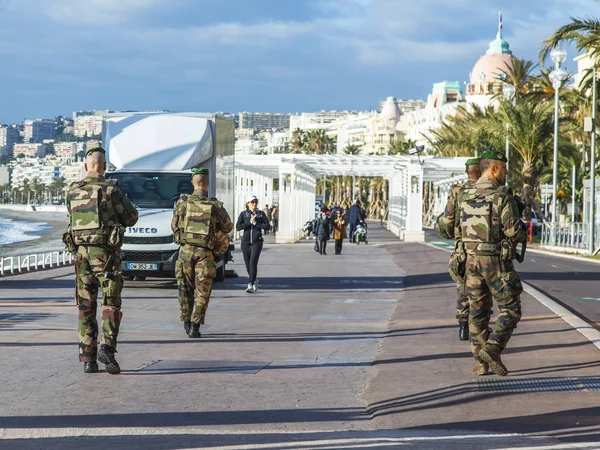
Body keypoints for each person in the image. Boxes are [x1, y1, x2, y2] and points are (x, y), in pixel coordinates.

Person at [63, 146, 139, 374]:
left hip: (81, 257)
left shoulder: (72, 191)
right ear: (104, 167)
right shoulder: (111, 190)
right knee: (111, 302)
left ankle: (88, 360)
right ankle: (107, 347)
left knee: (85, 307)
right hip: (106, 257)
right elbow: (131, 217)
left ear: (85, 167)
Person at [459, 150, 528, 377]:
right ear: (494, 169)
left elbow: (448, 228)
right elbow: (513, 231)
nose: (507, 173)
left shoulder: (463, 194)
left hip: (470, 262)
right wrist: (518, 214)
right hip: (495, 262)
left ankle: (480, 363)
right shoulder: (501, 196)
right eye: (504, 168)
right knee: (510, 308)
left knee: (477, 312)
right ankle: (494, 347)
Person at [171, 168, 234, 338]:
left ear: (193, 183)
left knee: (185, 288)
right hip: (205, 254)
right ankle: (195, 326)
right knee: (202, 290)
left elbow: (174, 226)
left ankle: (186, 321)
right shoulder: (214, 206)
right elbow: (228, 227)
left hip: (185, 252)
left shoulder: (182, 204)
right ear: (207, 184)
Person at [435, 157, 482, 342]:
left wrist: (448, 233)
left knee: (462, 286)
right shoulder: (492, 189)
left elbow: (447, 221)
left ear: (467, 172)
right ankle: (481, 326)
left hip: (464, 248)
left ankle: (463, 324)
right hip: (488, 250)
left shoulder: (457, 190)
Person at [236, 194, 270, 293]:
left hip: (257, 242)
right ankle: (254, 279)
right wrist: (249, 223)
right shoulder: (243, 214)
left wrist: (256, 223)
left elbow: (267, 226)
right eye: (252, 202)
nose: (254, 204)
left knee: (253, 262)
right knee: (247, 264)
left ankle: (250, 284)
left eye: (256, 202)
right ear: (248, 203)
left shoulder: (261, 214)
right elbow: (238, 227)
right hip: (246, 243)